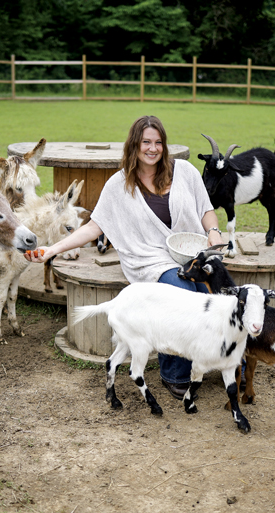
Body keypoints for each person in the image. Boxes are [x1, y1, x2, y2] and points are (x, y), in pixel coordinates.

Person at [25, 115, 223, 400]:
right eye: (146, 142)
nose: (153, 149)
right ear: (134, 145)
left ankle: (222, 360)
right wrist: (51, 250)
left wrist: (214, 232)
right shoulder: (119, 185)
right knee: (181, 292)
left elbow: (206, 210)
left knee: (217, 293)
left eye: (158, 142)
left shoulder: (185, 172)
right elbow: (95, 226)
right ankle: (175, 373)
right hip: (150, 258)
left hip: (191, 251)